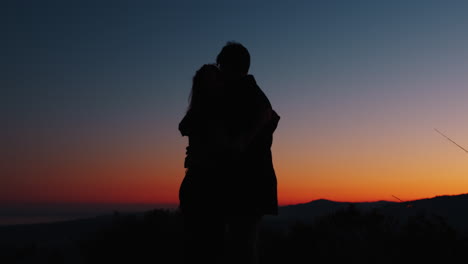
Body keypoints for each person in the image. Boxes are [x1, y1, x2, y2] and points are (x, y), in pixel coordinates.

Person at [178, 42, 280, 264]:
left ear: (229, 66)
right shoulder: (235, 97)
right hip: (228, 185)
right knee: (228, 247)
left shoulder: (247, 96)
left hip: (247, 185)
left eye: (220, 66)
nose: (220, 72)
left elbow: (242, 142)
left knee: (239, 248)